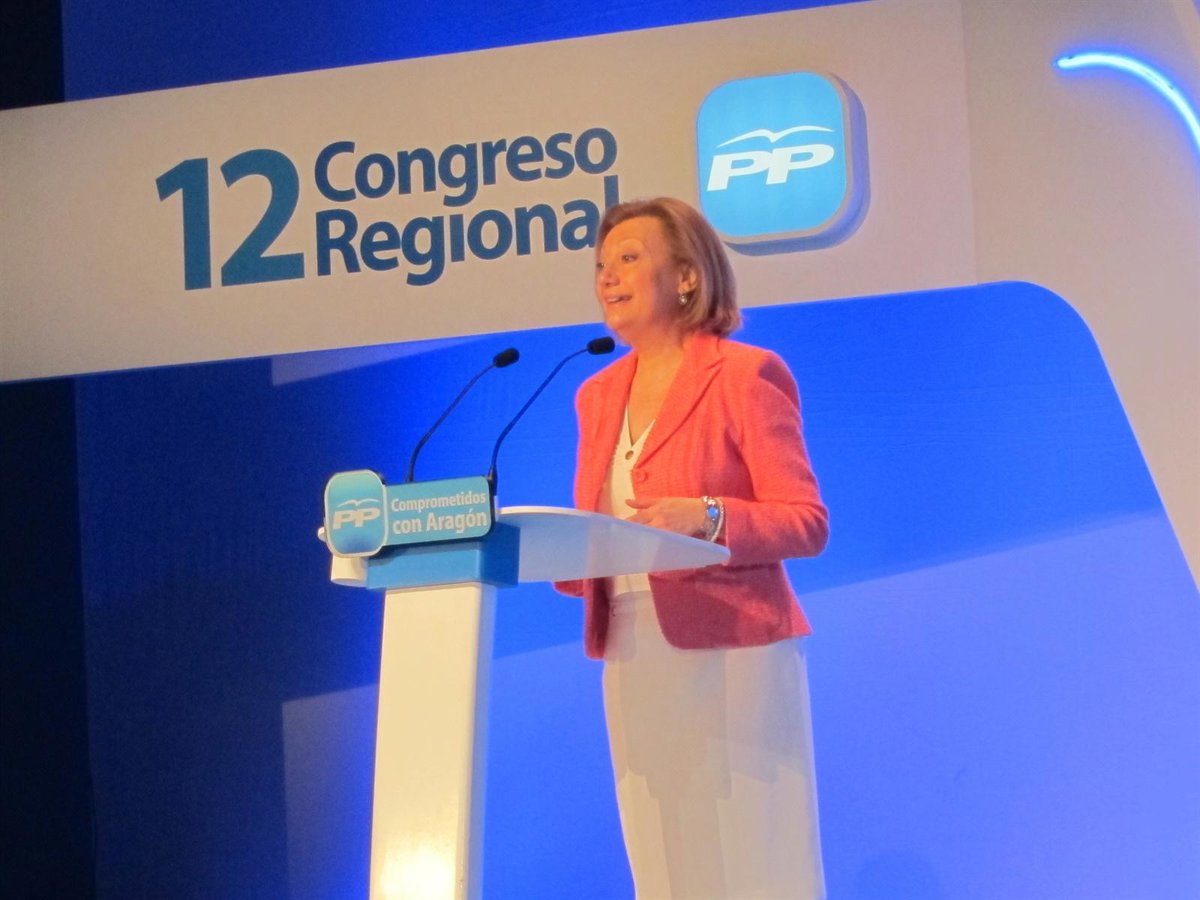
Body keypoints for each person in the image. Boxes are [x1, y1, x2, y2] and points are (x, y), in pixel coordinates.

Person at [555, 197, 830, 899]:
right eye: (601, 264)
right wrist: (563, 551)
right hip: (632, 649)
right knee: (664, 858)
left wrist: (707, 517)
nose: (608, 277)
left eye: (628, 258)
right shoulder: (595, 394)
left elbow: (805, 522)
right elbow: (600, 528)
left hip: (737, 649)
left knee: (755, 856)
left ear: (686, 277)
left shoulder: (746, 375)